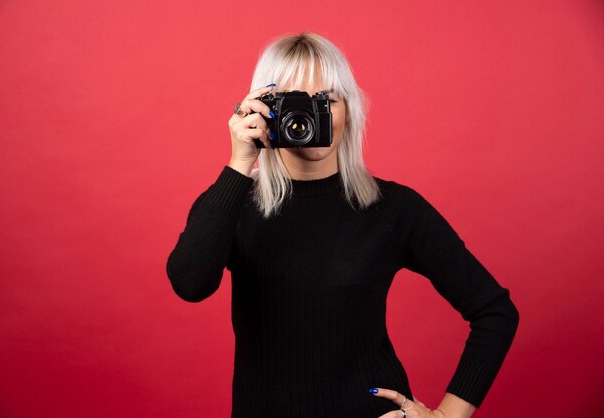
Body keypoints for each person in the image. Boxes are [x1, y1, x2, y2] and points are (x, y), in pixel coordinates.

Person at [166, 32, 519, 418]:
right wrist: (239, 165)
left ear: (348, 109)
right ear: (262, 110)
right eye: (295, 103)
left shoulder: (392, 208)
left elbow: (495, 311)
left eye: (327, 100)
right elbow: (190, 284)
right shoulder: (233, 204)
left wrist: (446, 416)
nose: (312, 115)